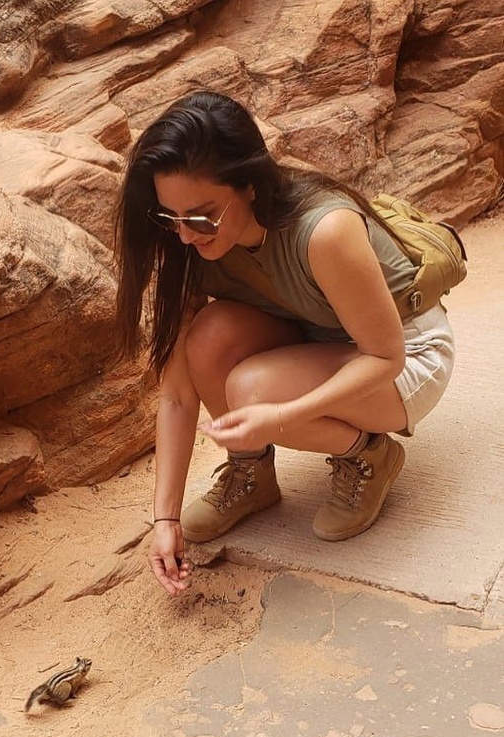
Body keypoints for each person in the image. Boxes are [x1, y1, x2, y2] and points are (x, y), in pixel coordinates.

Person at [113, 91, 455, 597]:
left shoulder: (324, 230)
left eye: (201, 217)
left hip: (405, 355)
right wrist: (165, 519)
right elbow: (179, 393)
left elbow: (385, 355)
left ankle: (368, 455)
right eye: (171, 218)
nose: (184, 235)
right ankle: (251, 474)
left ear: (250, 185)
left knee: (252, 389)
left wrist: (280, 417)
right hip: (319, 337)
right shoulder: (190, 243)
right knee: (206, 339)